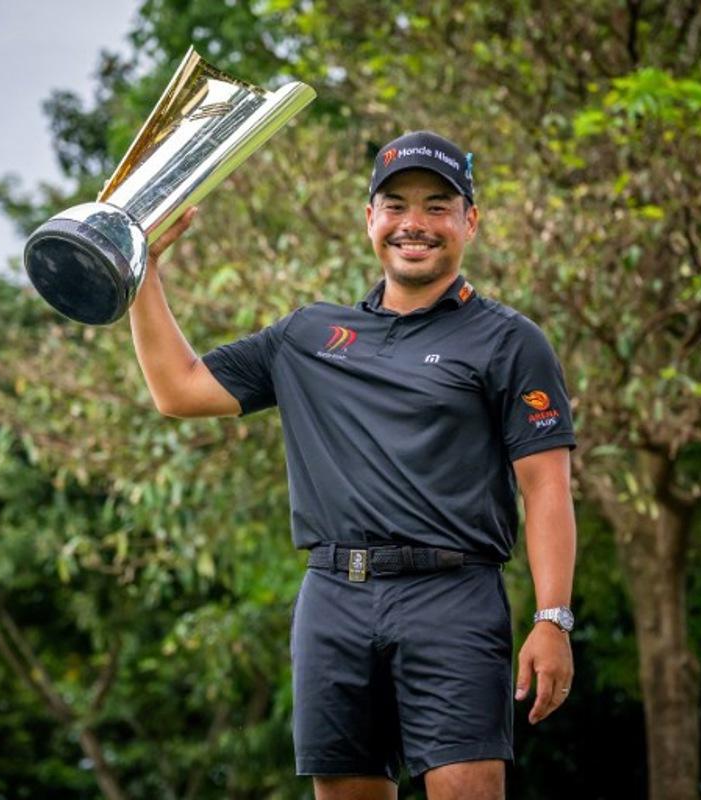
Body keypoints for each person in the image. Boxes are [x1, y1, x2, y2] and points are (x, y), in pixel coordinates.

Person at [128, 131, 577, 800]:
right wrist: (142, 275)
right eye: (395, 205)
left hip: (453, 597)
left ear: (469, 221)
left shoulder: (508, 340)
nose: (414, 225)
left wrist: (553, 619)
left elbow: (546, 489)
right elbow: (179, 390)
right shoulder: (308, 335)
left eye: (437, 206)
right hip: (333, 598)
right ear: (370, 218)